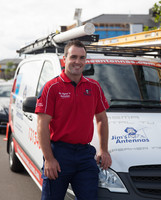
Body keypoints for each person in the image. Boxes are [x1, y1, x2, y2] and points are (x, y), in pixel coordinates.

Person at [35, 40, 112, 200]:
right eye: (73, 57)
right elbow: (42, 125)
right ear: (65, 59)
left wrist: (104, 149)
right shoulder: (52, 87)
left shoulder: (94, 87)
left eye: (82, 57)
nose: (78, 61)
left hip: (85, 155)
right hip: (59, 154)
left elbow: (101, 119)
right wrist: (49, 159)